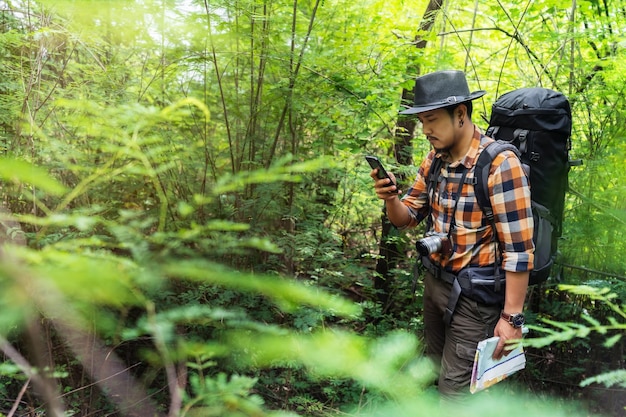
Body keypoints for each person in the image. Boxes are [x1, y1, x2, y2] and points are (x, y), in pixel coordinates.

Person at [370, 70, 534, 400]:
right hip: (436, 285)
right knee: (433, 370)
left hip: (475, 300)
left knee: (455, 394)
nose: (426, 130)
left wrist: (511, 318)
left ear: (460, 114)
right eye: (421, 121)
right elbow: (408, 217)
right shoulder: (434, 159)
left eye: (431, 120)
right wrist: (390, 197)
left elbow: (519, 250)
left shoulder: (500, 164)